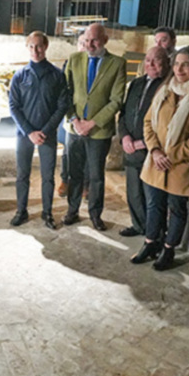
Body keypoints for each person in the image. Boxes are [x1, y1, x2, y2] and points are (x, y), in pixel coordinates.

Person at [131, 46, 189, 270]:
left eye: (186, 64)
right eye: (177, 63)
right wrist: (156, 151)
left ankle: (169, 249)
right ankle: (151, 243)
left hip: (181, 164)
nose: (179, 69)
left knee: (177, 209)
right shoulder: (165, 89)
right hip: (155, 160)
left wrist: (170, 156)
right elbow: (148, 122)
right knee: (153, 205)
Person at [63, 23, 127, 231]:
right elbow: (65, 93)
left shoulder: (117, 63)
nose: (90, 44)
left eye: (95, 40)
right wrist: (75, 120)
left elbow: (116, 100)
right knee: (74, 173)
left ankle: (95, 214)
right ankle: (72, 211)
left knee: (96, 175)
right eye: (87, 40)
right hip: (75, 129)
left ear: (105, 40)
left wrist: (92, 123)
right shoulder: (74, 59)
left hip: (99, 132)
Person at [8, 31, 70, 229]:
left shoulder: (57, 75)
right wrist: (29, 131)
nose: (36, 50)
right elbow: (13, 106)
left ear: (46, 46)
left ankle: (47, 213)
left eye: (39, 46)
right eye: (32, 46)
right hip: (25, 134)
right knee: (22, 174)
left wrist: (45, 130)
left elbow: (62, 106)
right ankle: (21, 210)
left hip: (47, 134)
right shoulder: (20, 76)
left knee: (48, 176)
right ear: (27, 48)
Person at [117, 46, 170, 237]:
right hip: (130, 147)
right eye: (148, 60)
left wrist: (145, 143)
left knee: (153, 198)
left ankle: (154, 234)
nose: (151, 64)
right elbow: (123, 113)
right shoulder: (136, 84)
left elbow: (168, 124)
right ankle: (138, 226)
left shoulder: (168, 87)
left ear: (167, 63)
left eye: (156, 60)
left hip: (152, 151)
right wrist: (124, 136)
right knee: (134, 193)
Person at [57, 32, 85, 198]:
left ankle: (85, 183)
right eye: (81, 43)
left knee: (87, 153)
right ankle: (65, 180)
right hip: (71, 116)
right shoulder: (70, 63)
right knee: (68, 151)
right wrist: (73, 117)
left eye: (87, 42)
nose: (84, 46)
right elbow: (64, 90)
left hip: (90, 118)